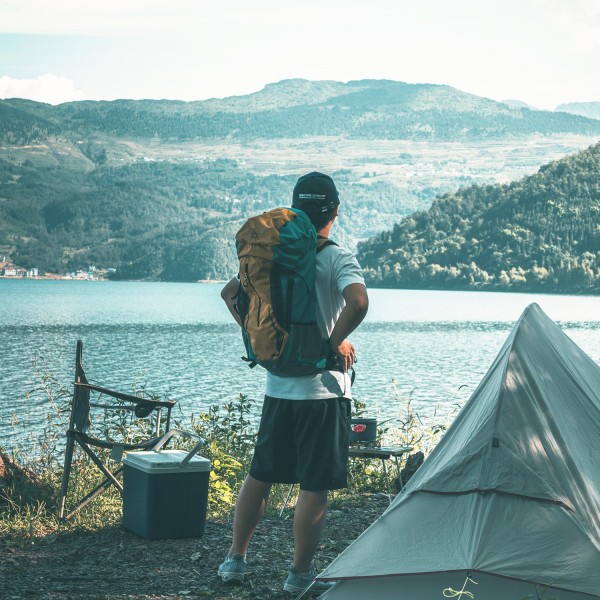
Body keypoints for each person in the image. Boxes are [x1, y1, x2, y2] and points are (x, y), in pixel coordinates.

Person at [218, 172, 369, 595]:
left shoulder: (275, 255)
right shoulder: (338, 257)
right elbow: (358, 302)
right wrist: (332, 343)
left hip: (278, 386)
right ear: (335, 211)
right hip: (323, 393)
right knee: (314, 486)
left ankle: (234, 559)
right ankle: (299, 575)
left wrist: (256, 338)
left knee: (259, 475)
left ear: (295, 208)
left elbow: (231, 294)